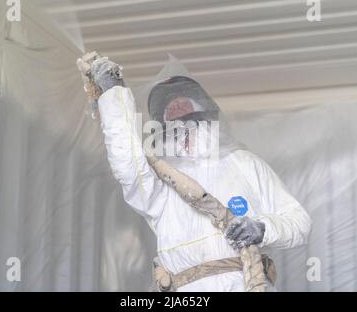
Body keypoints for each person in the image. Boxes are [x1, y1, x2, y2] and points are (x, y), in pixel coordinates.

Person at [87, 56, 312, 291]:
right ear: (161, 124)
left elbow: (299, 222)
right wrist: (113, 95)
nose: (176, 108)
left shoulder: (244, 164)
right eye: (169, 107)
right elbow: (128, 165)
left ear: (204, 108)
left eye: (183, 102)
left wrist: (262, 228)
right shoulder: (159, 180)